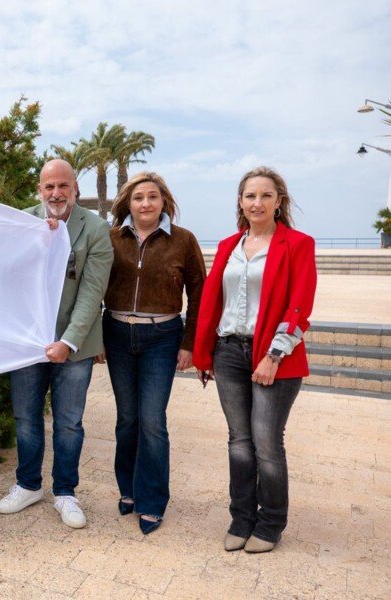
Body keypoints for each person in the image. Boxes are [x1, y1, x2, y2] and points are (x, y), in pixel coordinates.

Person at [193, 166, 316, 553]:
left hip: (273, 355)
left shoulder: (298, 244)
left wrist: (274, 355)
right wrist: (205, 353)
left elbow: (300, 306)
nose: (257, 202)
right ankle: (241, 518)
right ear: (240, 202)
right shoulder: (229, 245)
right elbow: (215, 301)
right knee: (239, 442)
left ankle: (270, 523)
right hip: (228, 351)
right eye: (250, 195)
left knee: (266, 442)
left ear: (279, 202)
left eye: (266, 195)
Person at [0, 159, 113, 529]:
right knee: (25, 418)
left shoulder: (95, 228)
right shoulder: (23, 222)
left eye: (64, 186)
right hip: (28, 343)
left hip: (74, 345)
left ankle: (65, 492)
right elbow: (3, 272)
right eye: (50, 187)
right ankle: (28, 485)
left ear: (75, 188)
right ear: (40, 189)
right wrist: (37, 243)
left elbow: (92, 293)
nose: (57, 193)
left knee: (68, 423)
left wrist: (68, 341)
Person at [101, 172, 206, 534]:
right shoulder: (112, 238)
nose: (145, 203)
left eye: (152, 197)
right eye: (138, 197)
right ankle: (129, 490)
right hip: (116, 333)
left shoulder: (183, 240)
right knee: (127, 419)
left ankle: (152, 500)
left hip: (162, 337)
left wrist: (189, 343)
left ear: (164, 202)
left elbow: (199, 292)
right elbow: (93, 285)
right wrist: (95, 339)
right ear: (127, 203)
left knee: (152, 421)